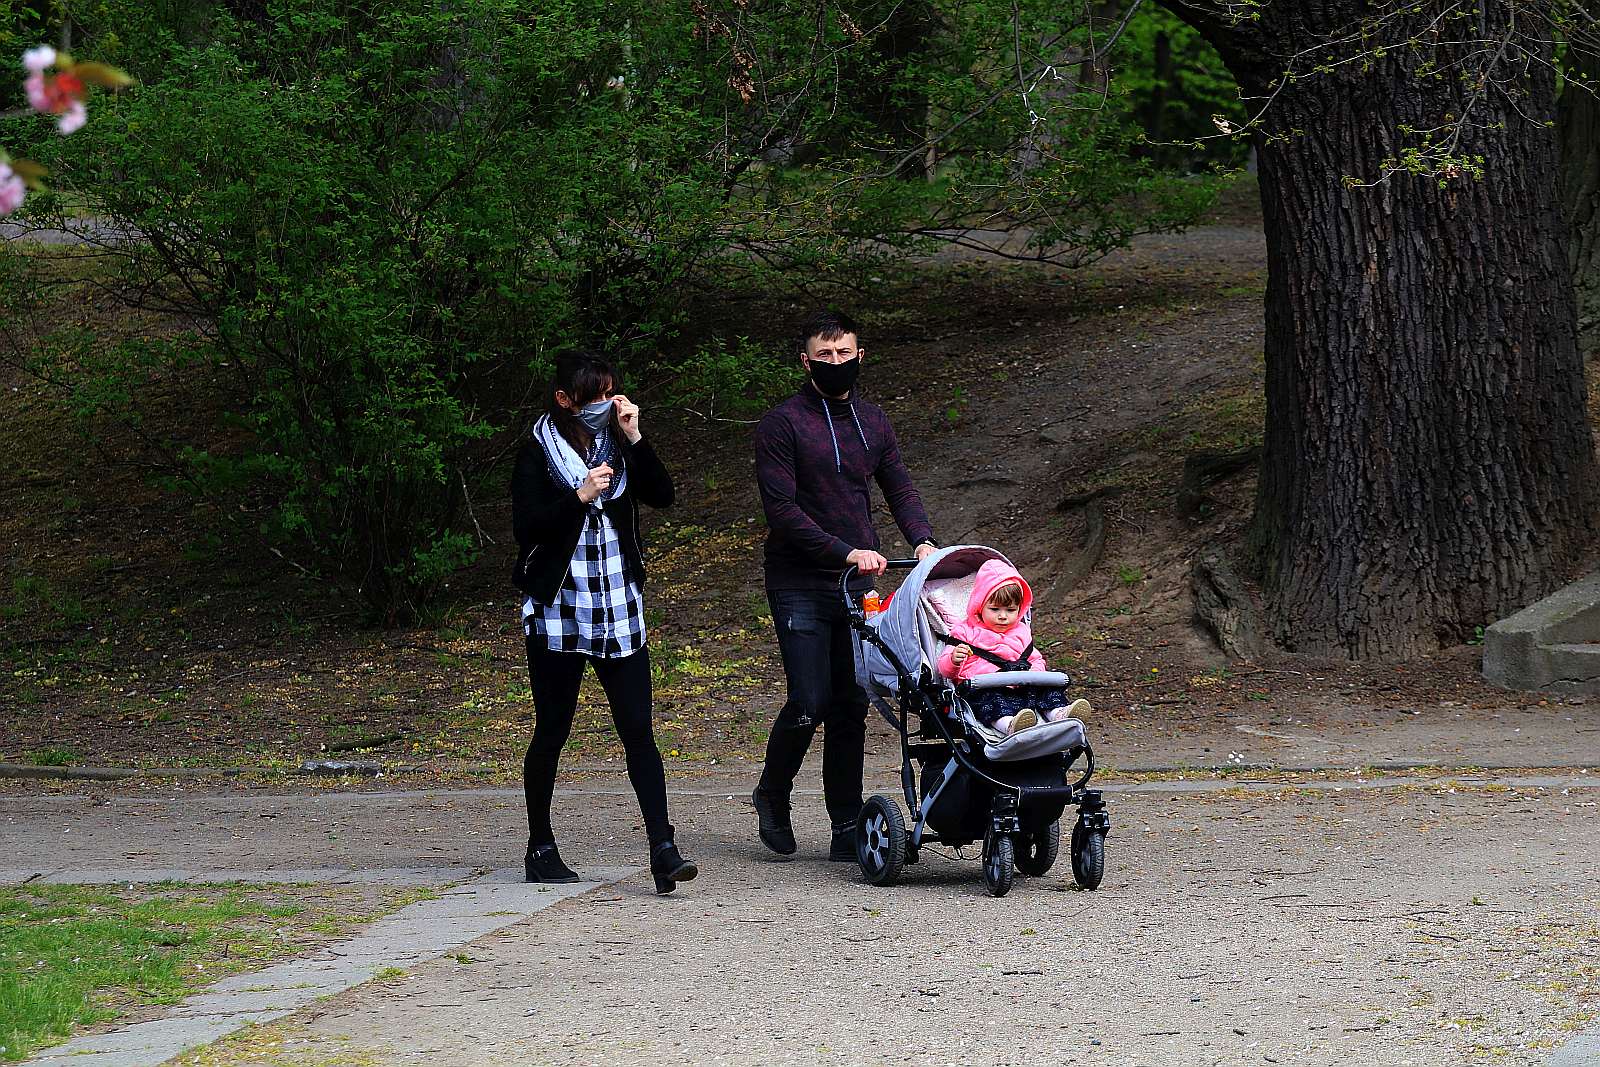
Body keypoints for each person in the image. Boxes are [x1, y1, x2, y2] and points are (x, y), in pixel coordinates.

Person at [752, 309, 939, 860]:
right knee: (808, 702)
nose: (835, 363)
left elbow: (899, 486)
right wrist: (845, 551)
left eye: (844, 353)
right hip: (800, 580)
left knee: (850, 704)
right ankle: (773, 792)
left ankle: (845, 825)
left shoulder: (874, 421)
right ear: (805, 360)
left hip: (860, 586)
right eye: (824, 355)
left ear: (861, 355)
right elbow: (782, 511)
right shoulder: (782, 424)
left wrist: (924, 541)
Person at [511, 350, 697, 895]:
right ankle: (540, 846)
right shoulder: (537, 453)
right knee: (553, 730)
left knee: (638, 729)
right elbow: (528, 529)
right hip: (559, 613)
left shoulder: (619, 440)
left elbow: (662, 495)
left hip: (618, 605)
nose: (604, 404)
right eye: (593, 395)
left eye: (610, 391)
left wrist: (636, 436)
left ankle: (663, 848)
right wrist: (579, 495)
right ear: (565, 400)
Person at [934, 558, 1092, 733]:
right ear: (980, 606)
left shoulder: (1021, 631)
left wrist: (1035, 674)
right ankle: (1009, 725)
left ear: (1019, 609)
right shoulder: (964, 632)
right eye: (995, 610)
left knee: (1048, 690)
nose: (1003, 616)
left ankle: (1059, 714)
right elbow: (944, 670)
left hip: (1022, 685)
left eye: (1010, 610)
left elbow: (1035, 658)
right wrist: (954, 660)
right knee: (991, 702)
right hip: (987, 688)